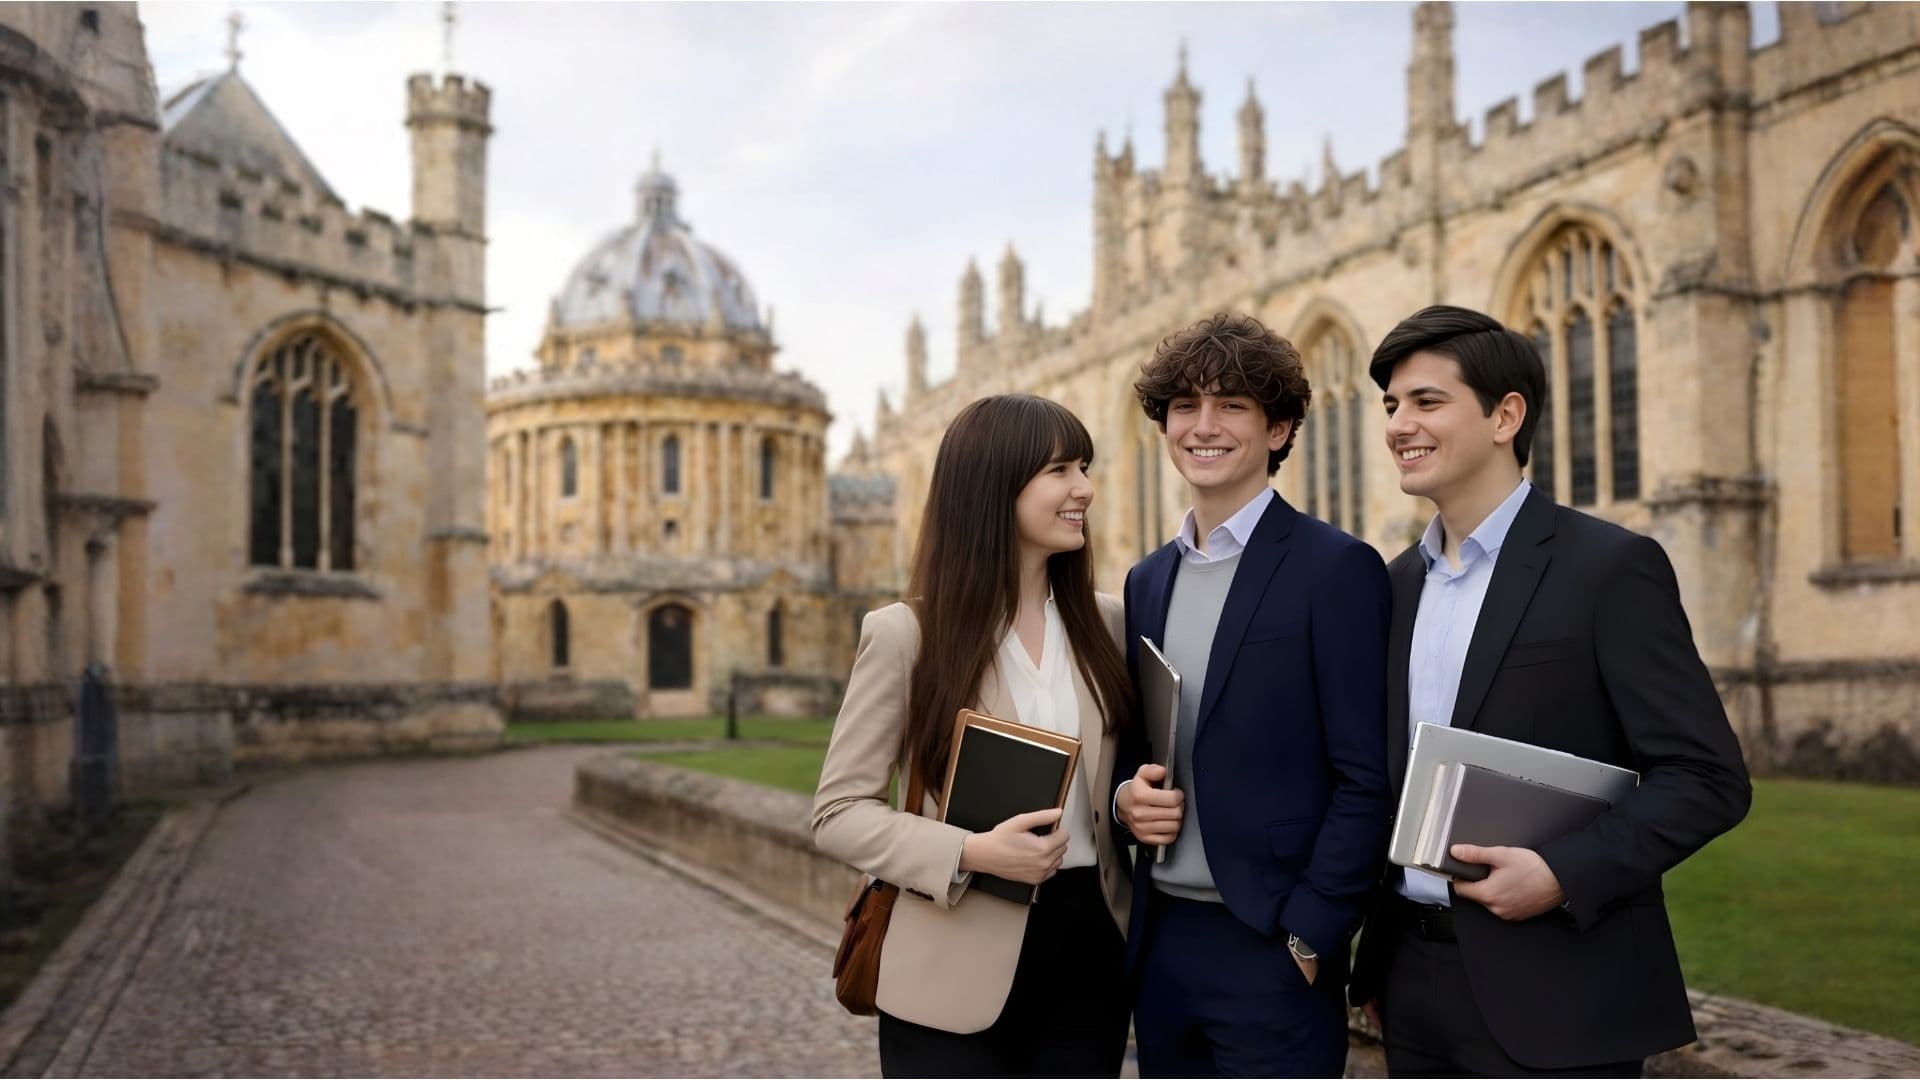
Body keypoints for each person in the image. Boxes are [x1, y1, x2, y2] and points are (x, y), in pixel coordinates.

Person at [1349, 305, 1752, 1077]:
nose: (1400, 424)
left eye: (1427, 401)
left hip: (1563, 989)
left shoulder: (1610, 569)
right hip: (1410, 989)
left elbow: (1708, 779)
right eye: (1392, 406)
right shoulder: (1392, 586)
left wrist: (1564, 872)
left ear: (1507, 416)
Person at [811, 394, 1137, 1078]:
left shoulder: (1109, 623)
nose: (1085, 488)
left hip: (1088, 955)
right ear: (994, 486)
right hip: (946, 957)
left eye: (1085, 466)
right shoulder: (907, 635)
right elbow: (839, 814)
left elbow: (1120, 783)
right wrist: (972, 851)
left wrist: (1133, 803)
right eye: (1060, 470)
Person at [1113, 313, 1393, 1077]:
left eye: (1232, 405)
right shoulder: (1147, 581)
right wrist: (1125, 803)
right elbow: (1142, 753)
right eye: (1185, 408)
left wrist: (1310, 934)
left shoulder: (1335, 568)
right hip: (1165, 942)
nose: (1204, 427)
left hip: (1272, 949)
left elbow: (1368, 775)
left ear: (1278, 429)